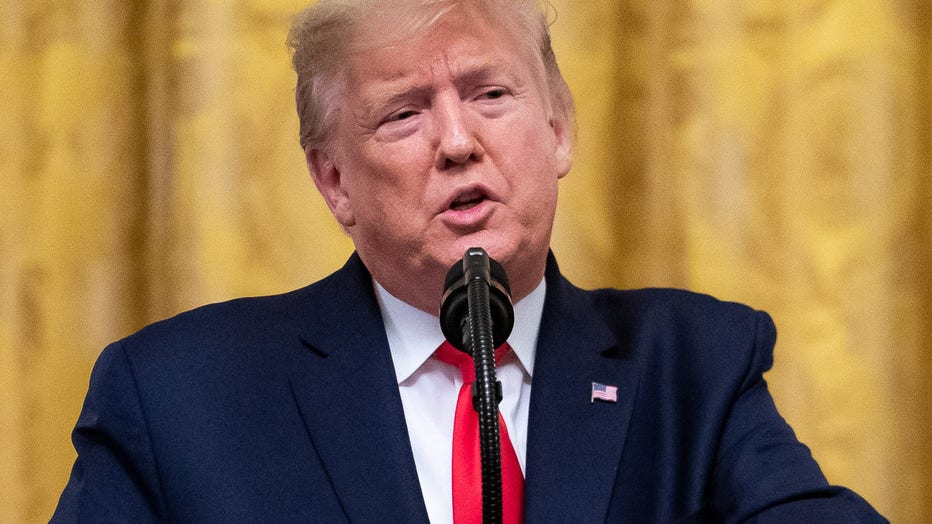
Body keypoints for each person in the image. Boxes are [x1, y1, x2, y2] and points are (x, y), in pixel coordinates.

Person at [53, 0, 886, 522]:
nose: (458, 143)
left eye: (491, 94)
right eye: (404, 114)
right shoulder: (177, 399)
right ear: (334, 178)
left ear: (558, 128)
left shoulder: (693, 370)